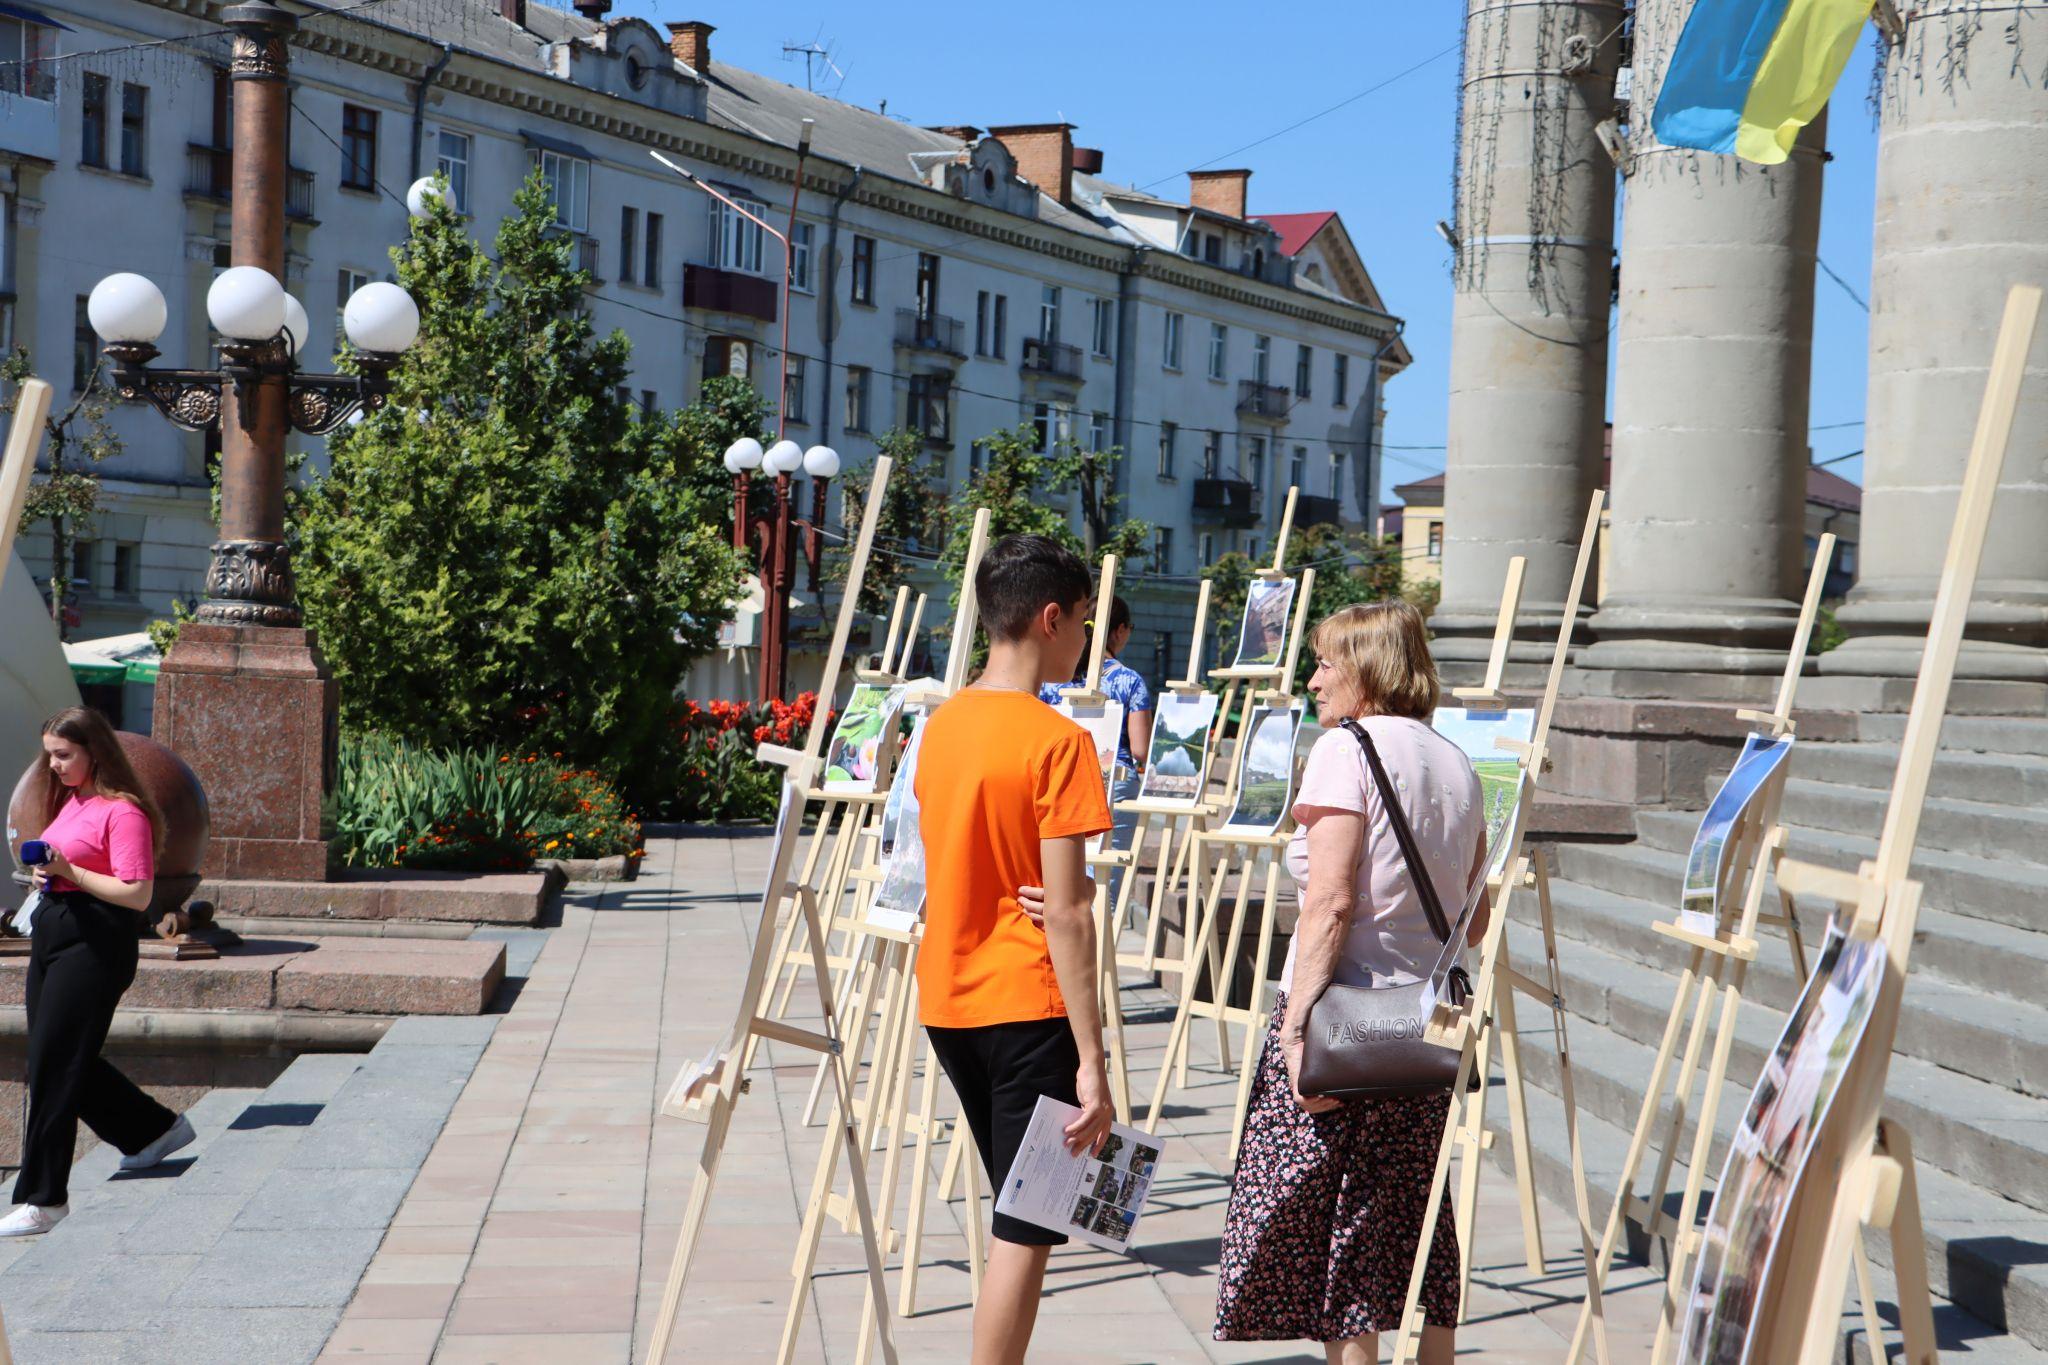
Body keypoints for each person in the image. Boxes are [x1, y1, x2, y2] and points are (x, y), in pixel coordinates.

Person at [1212, 601, 1490, 1365]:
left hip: (1347, 1020)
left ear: (1368, 669)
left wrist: (1294, 1027)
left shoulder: (1346, 748)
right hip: (1425, 1024)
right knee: (1414, 1220)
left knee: (1341, 1237)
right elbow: (1475, 919)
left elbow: (1330, 901)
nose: (1314, 678)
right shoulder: (1456, 761)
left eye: (1328, 662)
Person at [915, 534, 1116, 1365]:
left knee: (1019, 1206)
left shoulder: (941, 725)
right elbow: (1063, 912)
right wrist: (1094, 1060)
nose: (1088, 638)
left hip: (949, 999)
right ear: (1050, 618)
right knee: (1027, 1225)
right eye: (1086, 621)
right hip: (1028, 1003)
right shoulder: (1058, 741)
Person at [2, 708, 194, 1237]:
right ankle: (152, 1131)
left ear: (96, 752)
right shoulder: (73, 800)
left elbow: (138, 894)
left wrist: (70, 871)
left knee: (53, 1062)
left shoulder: (124, 812)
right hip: (56, 932)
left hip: (96, 942)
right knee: (58, 1055)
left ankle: (45, 1200)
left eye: (64, 755)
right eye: (50, 755)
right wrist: (46, 873)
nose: (54, 765)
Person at [1037, 594, 1155, 905]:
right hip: (1115, 783)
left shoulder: (1054, 680)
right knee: (1104, 892)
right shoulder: (1130, 681)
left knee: (1059, 888)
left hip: (1060, 782)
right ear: (1120, 630)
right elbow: (1141, 749)